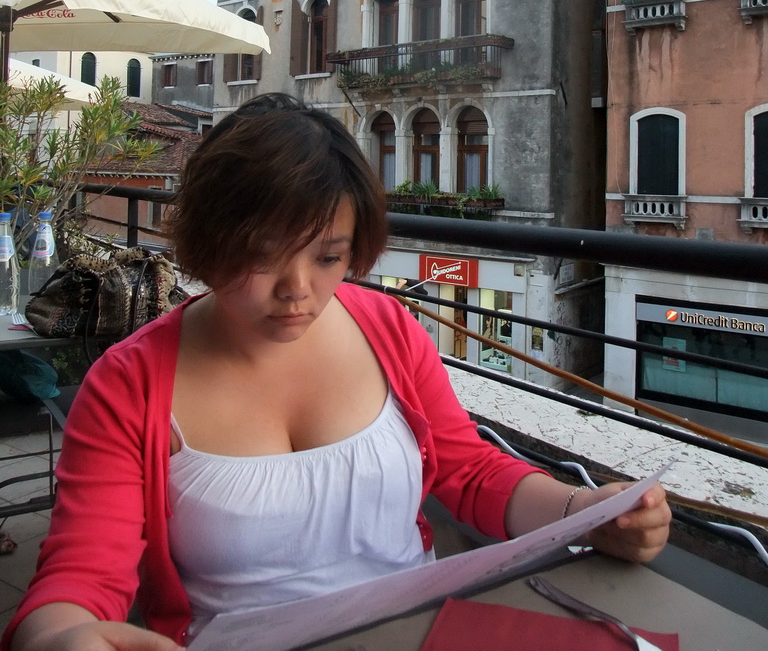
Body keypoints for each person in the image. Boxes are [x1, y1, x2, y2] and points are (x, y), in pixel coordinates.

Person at [3, 94, 671, 651]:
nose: (298, 291)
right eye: (263, 258)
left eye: (328, 257)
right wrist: (62, 637)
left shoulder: (387, 328)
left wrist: (587, 513)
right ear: (207, 244)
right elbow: (81, 576)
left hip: (423, 632)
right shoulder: (130, 385)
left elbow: (469, 472)